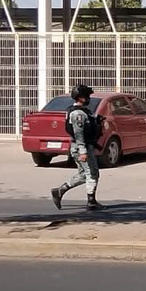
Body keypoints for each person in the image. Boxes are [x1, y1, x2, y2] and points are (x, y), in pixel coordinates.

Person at [50, 83, 105, 211]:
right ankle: (91, 201)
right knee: (92, 173)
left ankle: (60, 191)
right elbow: (78, 133)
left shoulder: (84, 112)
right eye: (87, 96)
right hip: (81, 147)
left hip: (84, 146)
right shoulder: (78, 114)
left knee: (83, 175)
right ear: (81, 98)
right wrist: (83, 151)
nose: (88, 98)